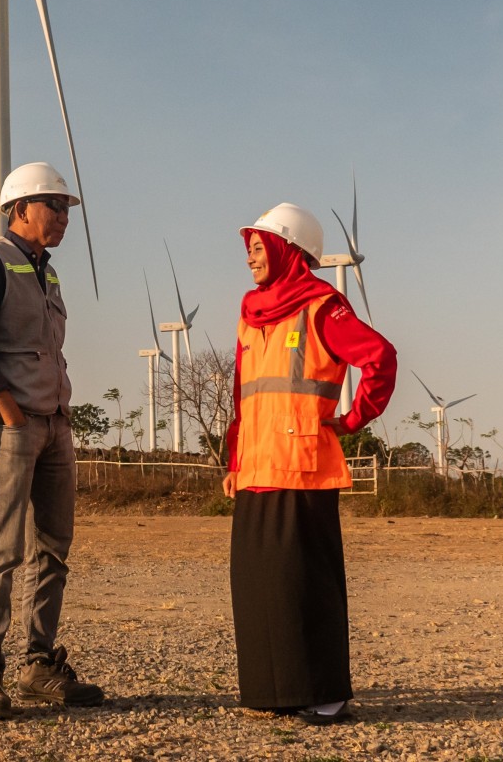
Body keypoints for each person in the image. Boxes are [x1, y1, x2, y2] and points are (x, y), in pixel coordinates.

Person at [223, 202, 397, 724]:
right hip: (255, 470)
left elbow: (380, 358)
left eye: (260, 244)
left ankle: (327, 695)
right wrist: (234, 459)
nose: (250, 253)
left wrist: (351, 418)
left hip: (303, 466)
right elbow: (241, 395)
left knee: (307, 585)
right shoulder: (250, 311)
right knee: (259, 587)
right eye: (248, 245)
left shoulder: (323, 305)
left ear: (288, 249)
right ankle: (274, 693)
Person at [0, 161, 104, 720]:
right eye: (54, 206)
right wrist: (14, 418)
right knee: (0, 549)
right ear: (19, 208)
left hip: (55, 424)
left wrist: (56, 418)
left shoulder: (48, 273)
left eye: (66, 208)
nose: (64, 217)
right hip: (10, 428)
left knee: (53, 550)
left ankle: (39, 665)